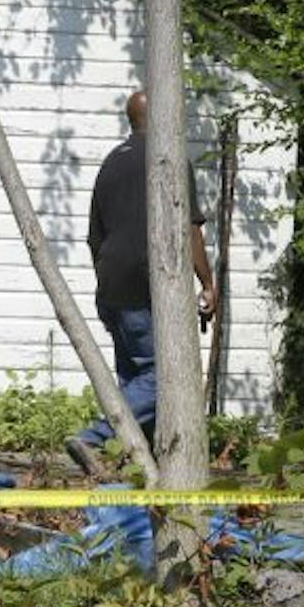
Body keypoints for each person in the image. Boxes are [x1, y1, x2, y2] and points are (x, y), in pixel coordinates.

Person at [66, 89, 219, 476]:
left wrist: (105, 276)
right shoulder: (169, 160)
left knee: (135, 377)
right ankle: (94, 436)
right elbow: (189, 229)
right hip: (145, 287)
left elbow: (93, 236)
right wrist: (207, 282)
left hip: (111, 287)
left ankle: (141, 465)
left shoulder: (110, 164)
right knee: (164, 378)